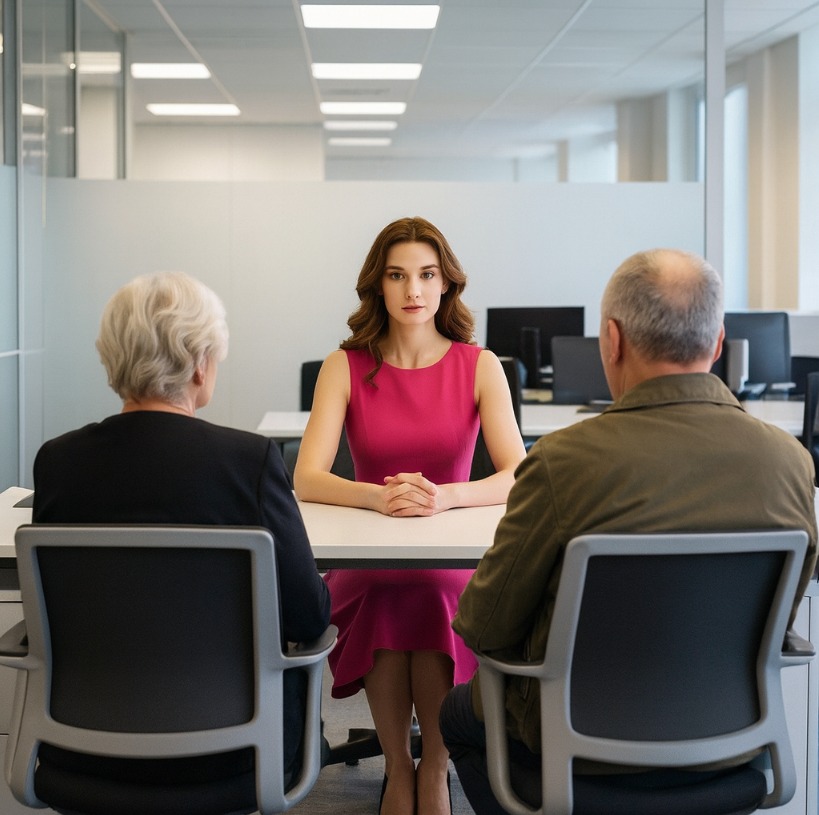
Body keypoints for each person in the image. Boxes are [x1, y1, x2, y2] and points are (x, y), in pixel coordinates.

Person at [439, 248, 819, 815]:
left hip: (573, 753)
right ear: (718, 345)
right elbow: (777, 621)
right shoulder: (789, 463)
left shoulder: (564, 461)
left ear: (611, 341)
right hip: (731, 747)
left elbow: (484, 627)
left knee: (456, 716)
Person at [32, 271, 331, 791]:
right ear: (198, 364)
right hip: (236, 753)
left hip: (83, 747)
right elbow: (308, 616)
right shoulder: (248, 461)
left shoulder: (58, 463)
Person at [293, 216, 526, 815]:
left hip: (451, 554)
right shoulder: (343, 365)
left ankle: (437, 766)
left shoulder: (480, 365)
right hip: (373, 550)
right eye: (397, 276)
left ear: (447, 284)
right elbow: (307, 476)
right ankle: (400, 767)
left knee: (435, 590)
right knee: (380, 588)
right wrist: (375, 495)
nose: (413, 290)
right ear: (379, 286)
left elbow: (517, 474)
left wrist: (447, 495)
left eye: (426, 275)